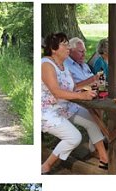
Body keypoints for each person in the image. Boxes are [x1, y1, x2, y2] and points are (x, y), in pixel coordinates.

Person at [41, 33, 109, 174]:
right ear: (53, 49)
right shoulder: (46, 64)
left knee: (93, 120)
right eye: (64, 44)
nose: (68, 48)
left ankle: (104, 158)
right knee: (74, 137)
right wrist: (82, 95)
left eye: (67, 44)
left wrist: (92, 81)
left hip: (65, 107)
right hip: (48, 111)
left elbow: (73, 87)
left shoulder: (63, 65)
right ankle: (46, 166)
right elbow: (56, 92)